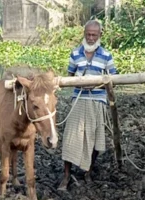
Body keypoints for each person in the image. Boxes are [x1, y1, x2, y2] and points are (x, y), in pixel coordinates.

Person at [58, 19, 117, 191]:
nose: (91, 38)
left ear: (99, 35)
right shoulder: (75, 54)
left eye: (94, 35)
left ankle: (88, 171)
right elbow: (68, 78)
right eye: (88, 34)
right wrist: (80, 83)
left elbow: (114, 80)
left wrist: (97, 84)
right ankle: (66, 176)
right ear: (84, 35)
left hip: (97, 101)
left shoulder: (106, 56)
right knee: (71, 138)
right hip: (79, 100)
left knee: (96, 138)